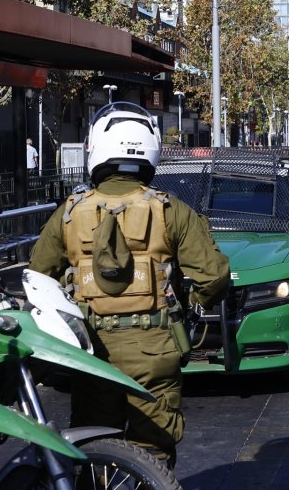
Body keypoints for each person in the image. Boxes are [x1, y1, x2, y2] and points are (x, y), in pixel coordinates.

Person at [28, 103, 230, 468]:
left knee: (95, 450)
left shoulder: (70, 211)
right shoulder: (172, 210)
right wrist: (190, 302)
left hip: (92, 353)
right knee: (153, 452)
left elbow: (38, 276)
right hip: (155, 351)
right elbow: (214, 277)